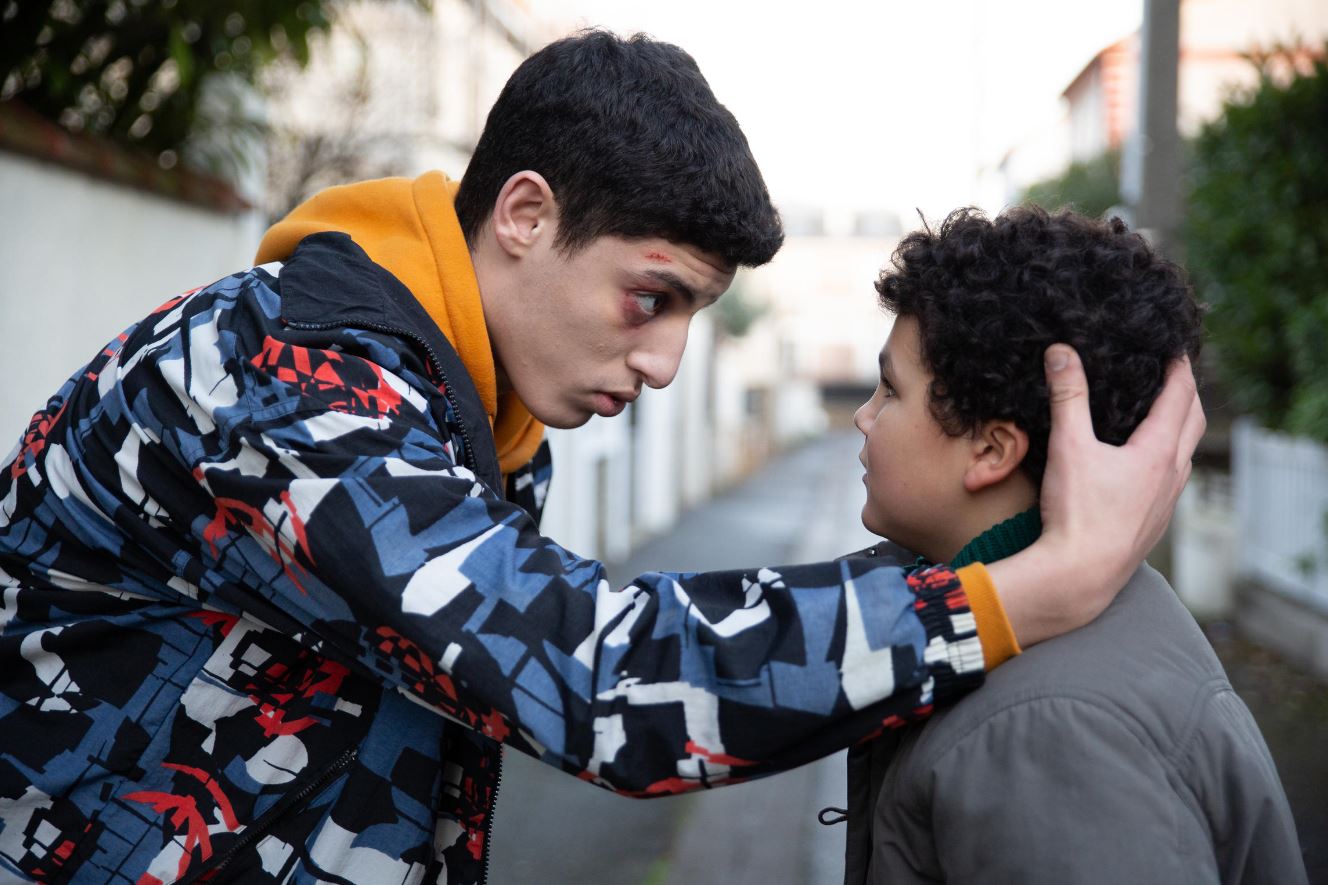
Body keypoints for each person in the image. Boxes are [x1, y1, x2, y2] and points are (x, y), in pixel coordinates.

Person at [0, 32, 1202, 885]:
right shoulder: (286, 382)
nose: (666, 362)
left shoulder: (465, 410)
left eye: (693, 315)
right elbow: (594, 679)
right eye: (648, 297)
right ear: (524, 216)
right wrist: (1006, 598)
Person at [840, 206, 1304, 885]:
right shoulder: (1081, 611)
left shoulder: (1046, 729)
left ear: (992, 449)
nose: (864, 415)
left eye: (890, 390)